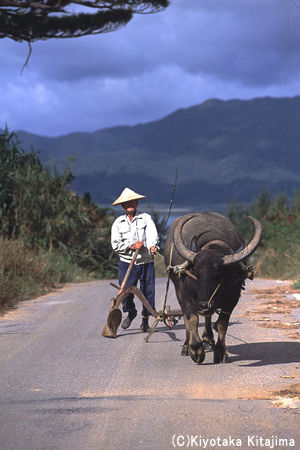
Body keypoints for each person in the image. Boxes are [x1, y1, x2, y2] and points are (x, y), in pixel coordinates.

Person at [111, 187, 159, 332]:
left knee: (147, 291)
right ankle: (131, 312)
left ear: (136, 203)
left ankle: (145, 320)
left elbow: (152, 235)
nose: (130, 204)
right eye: (127, 203)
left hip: (145, 261)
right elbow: (115, 244)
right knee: (126, 291)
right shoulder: (118, 223)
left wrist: (152, 246)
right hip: (127, 262)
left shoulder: (146, 218)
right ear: (123, 206)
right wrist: (131, 246)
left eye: (132, 201)